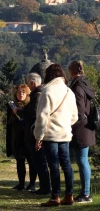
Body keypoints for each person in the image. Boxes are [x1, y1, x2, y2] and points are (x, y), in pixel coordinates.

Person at [34, 64, 78, 207]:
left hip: (51, 134)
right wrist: (64, 124)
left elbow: (42, 116)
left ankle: (55, 197)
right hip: (64, 134)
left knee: (53, 165)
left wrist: (38, 136)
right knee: (67, 165)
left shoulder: (47, 91)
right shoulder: (68, 92)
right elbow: (75, 117)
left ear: (48, 75)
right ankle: (69, 195)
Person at [68, 60, 96, 203]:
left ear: (71, 71)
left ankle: (85, 194)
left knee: (82, 161)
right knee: (83, 160)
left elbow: (79, 110)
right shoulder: (84, 84)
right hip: (86, 127)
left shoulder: (77, 87)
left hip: (80, 128)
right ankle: (86, 192)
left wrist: (69, 122)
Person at [24, 73, 51, 195]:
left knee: (39, 161)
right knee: (39, 161)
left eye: (28, 84)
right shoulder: (43, 93)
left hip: (36, 133)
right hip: (37, 132)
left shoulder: (37, 95)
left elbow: (36, 115)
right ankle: (44, 187)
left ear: (32, 83)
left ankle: (45, 187)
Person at [6, 84, 37, 191]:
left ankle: (32, 184)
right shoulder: (11, 105)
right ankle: (21, 183)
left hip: (28, 136)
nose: (21, 94)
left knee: (31, 161)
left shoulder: (30, 105)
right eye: (19, 92)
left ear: (27, 93)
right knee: (19, 161)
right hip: (16, 136)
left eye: (23, 92)